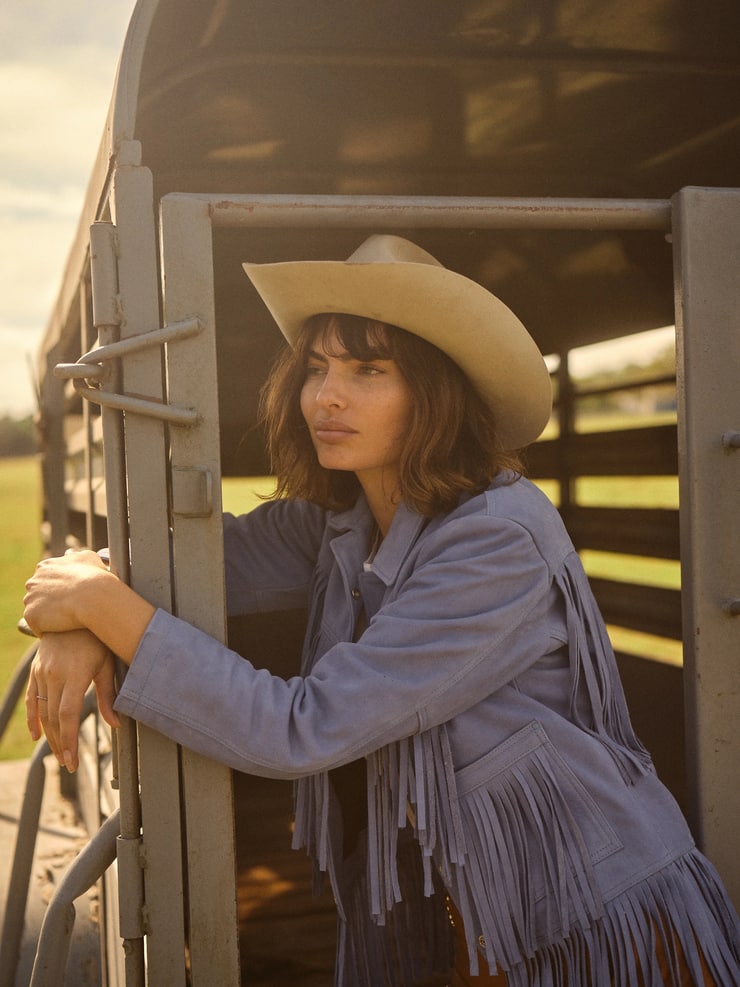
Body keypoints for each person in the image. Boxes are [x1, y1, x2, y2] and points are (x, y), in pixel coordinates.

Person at [23, 235, 740, 987]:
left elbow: (301, 727)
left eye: (368, 369)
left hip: (598, 920)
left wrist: (102, 610)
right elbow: (154, 574)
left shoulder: (498, 539)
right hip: (484, 912)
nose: (326, 395)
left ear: (436, 392)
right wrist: (76, 615)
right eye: (316, 367)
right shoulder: (337, 521)